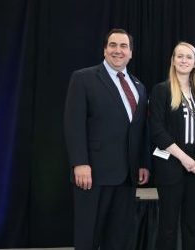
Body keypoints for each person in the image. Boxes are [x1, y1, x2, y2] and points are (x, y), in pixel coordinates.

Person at [64, 28, 149, 250]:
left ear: (131, 53)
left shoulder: (138, 86)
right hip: (93, 174)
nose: (118, 50)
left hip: (127, 177)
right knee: (88, 236)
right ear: (104, 50)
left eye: (123, 46)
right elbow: (74, 125)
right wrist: (80, 163)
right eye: (113, 45)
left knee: (119, 238)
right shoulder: (83, 78)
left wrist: (141, 163)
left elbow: (139, 130)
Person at [149, 42, 195, 250]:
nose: (184, 60)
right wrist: (184, 158)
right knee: (168, 227)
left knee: (192, 225)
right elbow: (157, 131)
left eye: (189, 57)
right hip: (171, 166)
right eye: (180, 56)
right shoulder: (161, 90)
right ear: (173, 61)